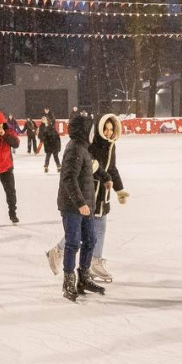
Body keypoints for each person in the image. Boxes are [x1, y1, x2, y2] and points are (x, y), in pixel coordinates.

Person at [47, 113, 128, 284]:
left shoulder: (111, 146)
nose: (108, 132)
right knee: (82, 233)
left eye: (111, 129)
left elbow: (111, 169)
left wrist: (119, 189)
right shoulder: (89, 145)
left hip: (99, 196)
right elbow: (85, 169)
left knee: (95, 232)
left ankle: (92, 262)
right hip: (88, 193)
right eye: (105, 129)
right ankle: (69, 254)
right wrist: (83, 198)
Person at [56, 114, 105, 301]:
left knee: (91, 240)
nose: (92, 133)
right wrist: (81, 204)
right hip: (73, 206)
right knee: (73, 243)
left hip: (85, 206)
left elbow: (88, 171)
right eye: (90, 129)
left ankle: (83, 277)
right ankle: (68, 281)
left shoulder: (83, 148)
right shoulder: (74, 148)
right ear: (84, 130)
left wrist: (106, 179)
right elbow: (68, 178)